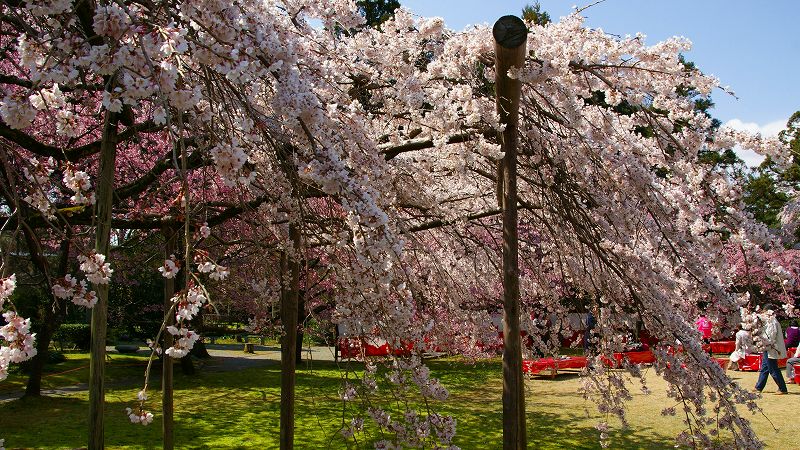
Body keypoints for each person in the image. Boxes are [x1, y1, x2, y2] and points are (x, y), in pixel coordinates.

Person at [754, 305, 788, 394]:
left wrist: (766, 342)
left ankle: (782, 388)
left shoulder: (772, 321)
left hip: (770, 347)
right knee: (765, 368)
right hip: (768, 347)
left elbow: (771, 335)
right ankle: (759, 387)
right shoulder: (771, 321)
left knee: (773, 368)